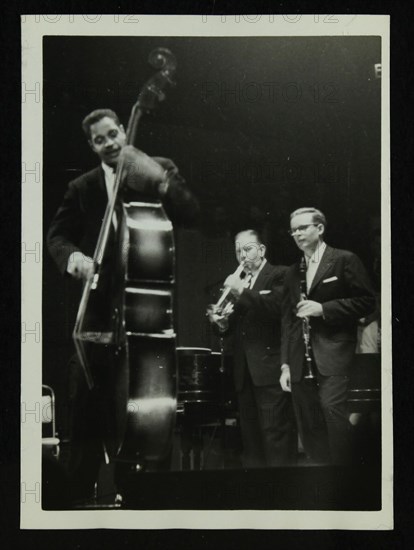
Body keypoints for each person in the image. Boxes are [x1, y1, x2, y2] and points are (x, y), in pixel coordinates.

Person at [47, 109, 198, 503]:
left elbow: (190, 211)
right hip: (97, 313)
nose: (110, 143)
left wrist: (161, 181)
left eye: (113, 133)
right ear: (92, 146)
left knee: (146, 412)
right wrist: (74, 258)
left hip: (145, 313)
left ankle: (147, 498)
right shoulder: (82, 187)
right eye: (100, 140)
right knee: (83, 410)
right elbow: (58, 237)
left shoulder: (155, 168)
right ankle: (74, 507)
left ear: (121, 130)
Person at [280, 207, 376, 465]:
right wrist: (285, 364)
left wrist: (324, 309)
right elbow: (288, 321)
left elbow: (367, 301)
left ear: (319, 228)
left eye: (303, 228)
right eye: (294, 230)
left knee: (333, 412)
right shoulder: (293, 271)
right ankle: (323, 478)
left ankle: (347, 477)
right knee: (309, 422)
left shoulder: (344, 260)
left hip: (333, 354)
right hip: (301, 359)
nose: (297, 234)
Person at [207, 229, 297, 468]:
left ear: (262, 250)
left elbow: (277, 307)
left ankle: (283, 496)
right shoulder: (241, 280)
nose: (242, 255)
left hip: (269, 369)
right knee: (251, 443)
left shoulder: (280, 274)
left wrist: (240, 291)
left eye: (247, 249)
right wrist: (222, 324)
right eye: (238, 250)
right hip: (244, 373)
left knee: (275, 437)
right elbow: (232, 327)